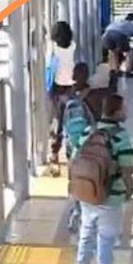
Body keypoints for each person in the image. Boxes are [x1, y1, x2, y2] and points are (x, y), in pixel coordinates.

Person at [73, 93, 133, 264]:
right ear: (117, 112)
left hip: (87, 192)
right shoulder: (120, 135)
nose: (126, 111)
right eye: (124, 108)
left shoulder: (88, 131)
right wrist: (129, 188)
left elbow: (75, 158)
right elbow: (126, 168)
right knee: (106, 239)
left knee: (86, 235)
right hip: (110, 194)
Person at [62, 62, 95, 233]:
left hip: (72, 149)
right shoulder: (93, 96)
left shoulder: (67, 97)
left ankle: (77, 212)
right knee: (90, 179)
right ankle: (86, 213)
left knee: (75, 180)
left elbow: (61, 124)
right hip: (89, 148)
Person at [45, 21, 77, 175]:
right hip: (70, 86)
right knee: (70, 118)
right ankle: (72, 153)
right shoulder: (73, 46)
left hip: (56, 88)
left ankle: (54, 154)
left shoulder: (52, 47)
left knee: (56, 120)